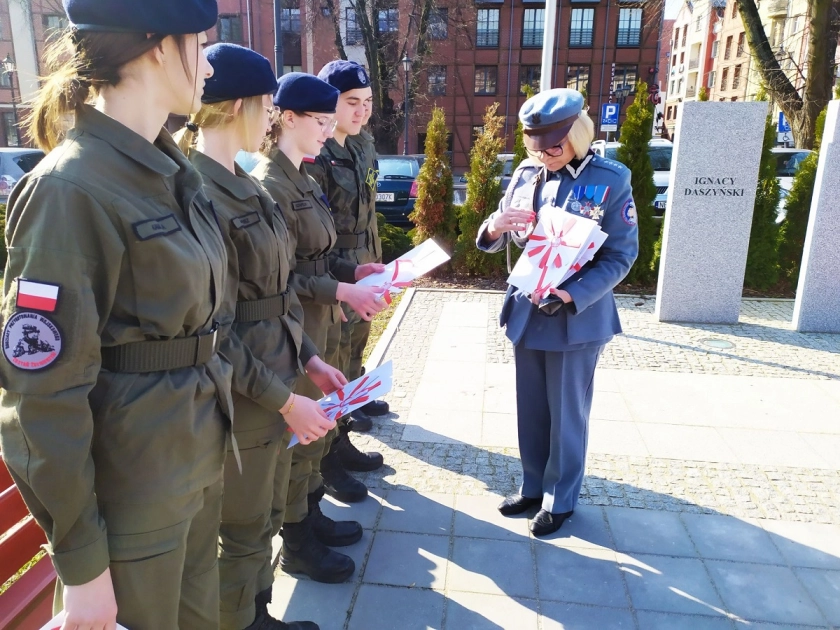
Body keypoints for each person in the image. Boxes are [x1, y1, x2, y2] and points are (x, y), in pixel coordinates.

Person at [0, 1, 229, 628]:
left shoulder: (169, 172)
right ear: (156, 46)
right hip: (131, 511)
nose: (208, 66)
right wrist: (83, 568)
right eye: (200, 44)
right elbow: (41, 395)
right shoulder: (70, 188)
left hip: (190, 470)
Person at [176, 44, 343, 629]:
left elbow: (276, 296)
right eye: (268, 105)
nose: (274, 116)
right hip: (246, 392)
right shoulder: (199, 191)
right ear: (242, 105)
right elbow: (215, 329)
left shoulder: (242, 182)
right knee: (241, 532)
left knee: (266, 517)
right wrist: (283, 397)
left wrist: (313, 361)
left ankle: (256, 614)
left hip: (278, 372)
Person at [476, 89, 639, 536]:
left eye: (553, 146)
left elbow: (621, 257)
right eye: (535, 146)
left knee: (567, 414)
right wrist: (494, 227)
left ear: (578, 135)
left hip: (574, 319)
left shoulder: (610, 178)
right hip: (528, 311)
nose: (544, 156)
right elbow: (503, 228)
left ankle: (560, 498)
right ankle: (532, 487)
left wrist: (572, 294)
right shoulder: (529, 172)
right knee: (531, 410)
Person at [251, 72, 387, 583]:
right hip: (296, 327)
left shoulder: (305, 178)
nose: (331, 129)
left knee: (316, 435)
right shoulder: (269, 185)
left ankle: (307, 518)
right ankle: (297, 540)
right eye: (323, 119)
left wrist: (355, 273)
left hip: (320, 325)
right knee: (298, 438)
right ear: (288, 118)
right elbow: (284, 276)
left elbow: (324, 254)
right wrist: (342, 288)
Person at [304, 60, 387, 503]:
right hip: (335, 270)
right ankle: (329, 454)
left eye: (367, 103)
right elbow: (319, 231)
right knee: (334, 353)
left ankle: (345, 428)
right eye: (352, 103)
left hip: (363, 259)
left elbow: (367, 209)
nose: (361, 112)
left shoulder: (361, 144)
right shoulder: (316, 154)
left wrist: (377, 260)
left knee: (356, 345)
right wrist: (338, 285)